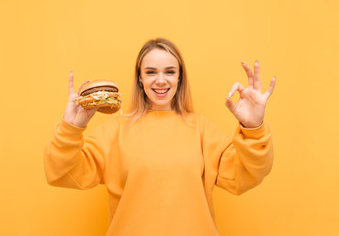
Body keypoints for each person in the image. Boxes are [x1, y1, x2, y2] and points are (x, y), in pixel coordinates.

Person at [44, 38, 276, 236]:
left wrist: (253, 125)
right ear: (140, 79)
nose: (161, 80)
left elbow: (248, 172)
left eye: (170, 72)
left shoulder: (202, 131)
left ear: (179, 78)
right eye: (151, 72)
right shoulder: (114, 132)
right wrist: (71, 128)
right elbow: (61, 172)